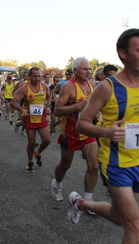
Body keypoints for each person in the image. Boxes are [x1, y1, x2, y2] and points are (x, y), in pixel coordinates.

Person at [68, 29, 139, 244]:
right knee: (135, 225)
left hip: (138, 163)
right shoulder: (107, 87)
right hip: (116, 164)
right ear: (123, 54)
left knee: (119, 217)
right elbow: (82, 124)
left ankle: (82, 204)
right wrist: (106, 131)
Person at [52, 57, 99, 211]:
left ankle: (87, 200)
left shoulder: (92, 85)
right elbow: (57, 110)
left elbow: (94, 106)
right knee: (66, 164)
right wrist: (79, 105)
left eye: (90, 69)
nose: (89, 71)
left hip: (87, 132)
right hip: (70, 132)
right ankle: (57, 184)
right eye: (85, 69)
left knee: (93, 166)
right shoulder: (68, 87)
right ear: (76, 71)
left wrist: (96, 112)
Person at [10, 67, 51, 173]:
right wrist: (21, 110)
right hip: (30, 120)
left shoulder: (44, 86)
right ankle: (30, 161)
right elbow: (13, 102)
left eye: (39, 76)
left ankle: (38, 152)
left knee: (47, 140)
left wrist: (48, 106)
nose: (37, 79)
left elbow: (49, 97)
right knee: (31, 142)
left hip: (42, 119)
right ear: (29, 76)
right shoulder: (24, 88)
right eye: (35, 76)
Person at [13, 71, 29, 136]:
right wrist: (15, 98)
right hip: (23, 102)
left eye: (28, 76)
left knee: (30, 121)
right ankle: (18, 124)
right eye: (25, 76)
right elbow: (15, 91)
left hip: (31, 105)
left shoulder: (34, 84)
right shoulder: (22, 84)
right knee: (24, 120)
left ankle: (23, 131)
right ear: (23, 77)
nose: (27, 77)